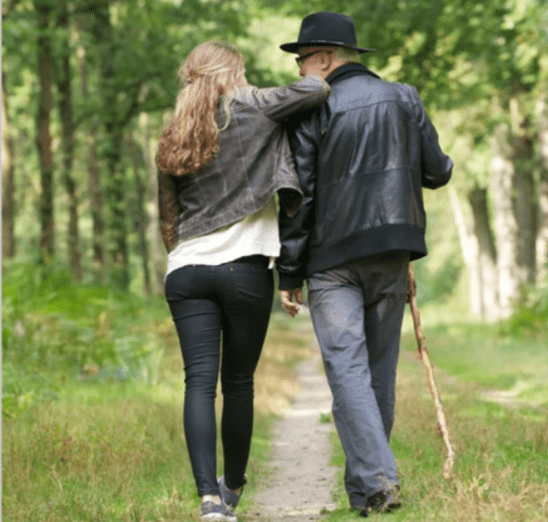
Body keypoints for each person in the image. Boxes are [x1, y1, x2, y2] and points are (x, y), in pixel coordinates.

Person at [277, 12, 453, 517]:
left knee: (347, 369)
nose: (299, 71)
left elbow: (298, 197)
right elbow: (437, 172)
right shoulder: (405, 97)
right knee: (378, 369)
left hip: (332, 258)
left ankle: (377, 480)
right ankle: (371, 489)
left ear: (326, 59)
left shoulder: (314, 109)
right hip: (395, 249)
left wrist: (289, 272)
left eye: (302, 60)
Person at [156, 41, 329, 522]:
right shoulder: (252, 105)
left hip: (186, 270)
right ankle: (232, 488)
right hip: (244, 267)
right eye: (242, 71)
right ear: (232, 72)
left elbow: (168, 221)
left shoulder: (173, 134)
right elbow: (315, 88)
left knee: (197, 383)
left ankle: (207, 500)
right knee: (237, 383)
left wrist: (190, 251)